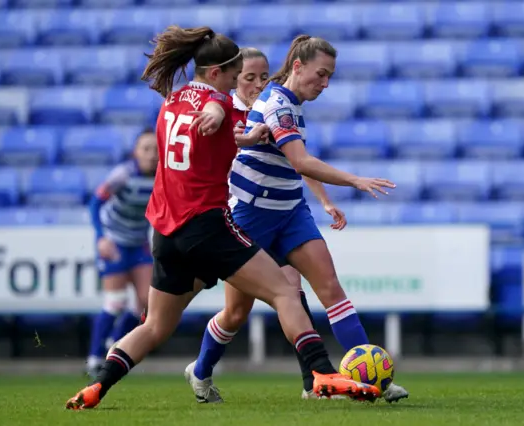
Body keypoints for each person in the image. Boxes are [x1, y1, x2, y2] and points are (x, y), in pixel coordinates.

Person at [65, 26, 384, 411]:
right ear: (216, 73)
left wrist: (247, 138)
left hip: (166, 232)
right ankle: (319, 373)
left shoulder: (170, 101)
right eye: (236, 76)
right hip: (208, 225)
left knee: (155, 326)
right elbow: (216, 110)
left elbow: (220, 129)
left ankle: (97, 386)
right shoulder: (221, 105)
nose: (240, 84)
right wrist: (218, 110)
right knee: (285, 291)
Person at [186, 35, 409, 403]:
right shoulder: (277, 105)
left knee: (331, 289)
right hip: (250, 216)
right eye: (321, 74)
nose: (325, 83)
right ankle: (201, 371)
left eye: (330, 76)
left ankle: (373, 382)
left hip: (290, 212)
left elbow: (294, 163)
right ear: (298, 67)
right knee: (236, 313)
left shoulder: (290, 103)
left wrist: (322, 200)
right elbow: (302, 161)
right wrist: (355, 180)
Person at [86, 129, 156, 379]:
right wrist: (100, 237)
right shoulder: (123, 175)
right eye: (145, 149)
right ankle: (94, 358)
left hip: (138, 243)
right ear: (136, 152)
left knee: (146, 304)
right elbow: (95, 202)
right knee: (115, 302)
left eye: (155, 149)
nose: (151, 155)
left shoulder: (162, 176)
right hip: (115, 241)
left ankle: (114, 347)